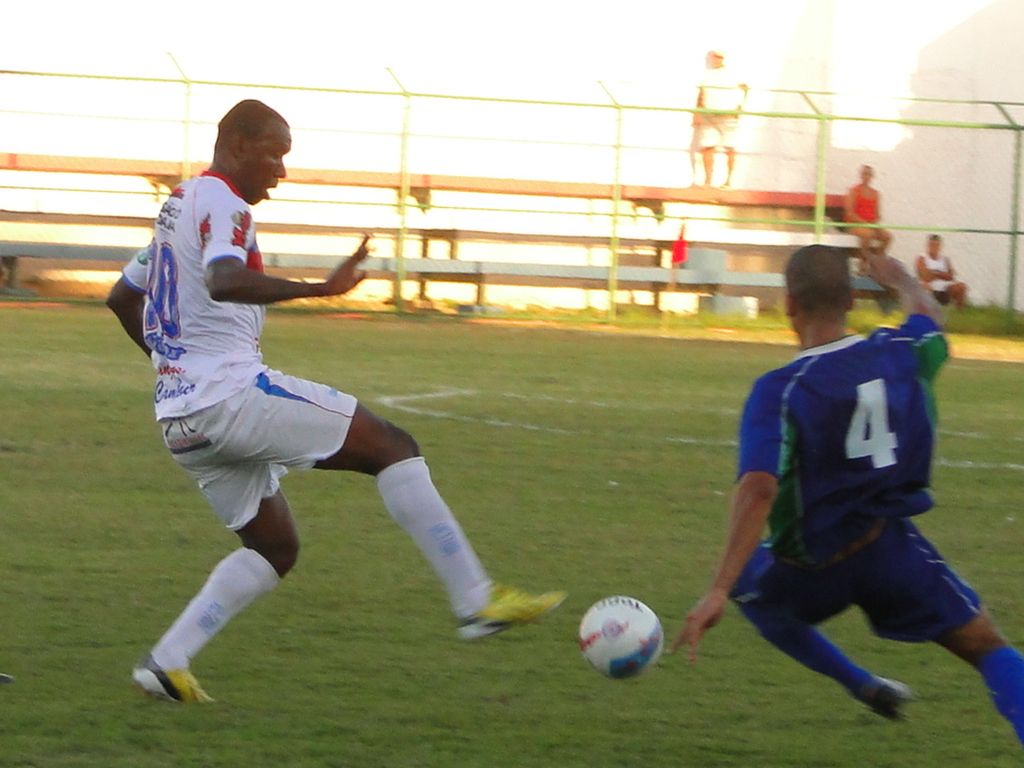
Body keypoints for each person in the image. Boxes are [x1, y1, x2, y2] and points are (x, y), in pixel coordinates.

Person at [106, 100, 565, 703]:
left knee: (275, 547)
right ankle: (475, 600)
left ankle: (164, 664)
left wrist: (177, 368)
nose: (282, 171)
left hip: (180, 418)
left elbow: (121, 298)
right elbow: (223, 279)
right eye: (275, 153)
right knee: (394, 448)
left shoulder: (176, 208)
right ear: (239, 144)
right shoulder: (224, 201)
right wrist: (323, 287)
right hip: (232, 397)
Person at [672, 243, 1024, 746]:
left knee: (754, 589)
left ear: (789, 303)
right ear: (852, 300)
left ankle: (860, 683)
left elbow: (758, 489)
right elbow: (931, 324)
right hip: (890, 551)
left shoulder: (781, 390)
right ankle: (869, 686)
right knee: (987, 648)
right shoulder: (900, 352)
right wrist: (901, 278)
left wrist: (717, 589)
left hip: (812, 566)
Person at [693, 50, 748, 189]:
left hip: (729, 114)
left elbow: (745, 88)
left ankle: (728, 181)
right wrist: (697, 112)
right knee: (707, 146)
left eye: (719, 57)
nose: (716, 59)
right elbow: (701, 92)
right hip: (709, 113)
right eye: (713, 56)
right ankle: (708, 181)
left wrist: (740, 106)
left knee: (730, 147)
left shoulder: (734, 73)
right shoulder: (706, 74)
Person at [843, 165, 892, 272]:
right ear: (861, 175)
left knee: (887, 236)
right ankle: (864, 262)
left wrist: (874, 224)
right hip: (855, 225)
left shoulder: (876, 194)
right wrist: (865, 223)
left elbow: (877, 214)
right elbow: (850, 213)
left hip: (870, 224)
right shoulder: (854, 191)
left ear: (872, 176)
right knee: (868, 234)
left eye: (869, 174)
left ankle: (877, 262)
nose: (867, 176)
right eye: (865, 174)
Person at [916, 234, 967, 309]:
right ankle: (928, 308)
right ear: (928, 245)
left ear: (940, 246)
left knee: (961, 286)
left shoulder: (945, 259)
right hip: (930, 289)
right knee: (924, 286)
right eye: (932, 245)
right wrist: (942, 274)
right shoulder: (922, 258)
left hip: (945, 290)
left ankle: (960, 311)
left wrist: (934, 273)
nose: (934, 247)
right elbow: (926, 277)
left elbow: (951, 276)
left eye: (937, 245)